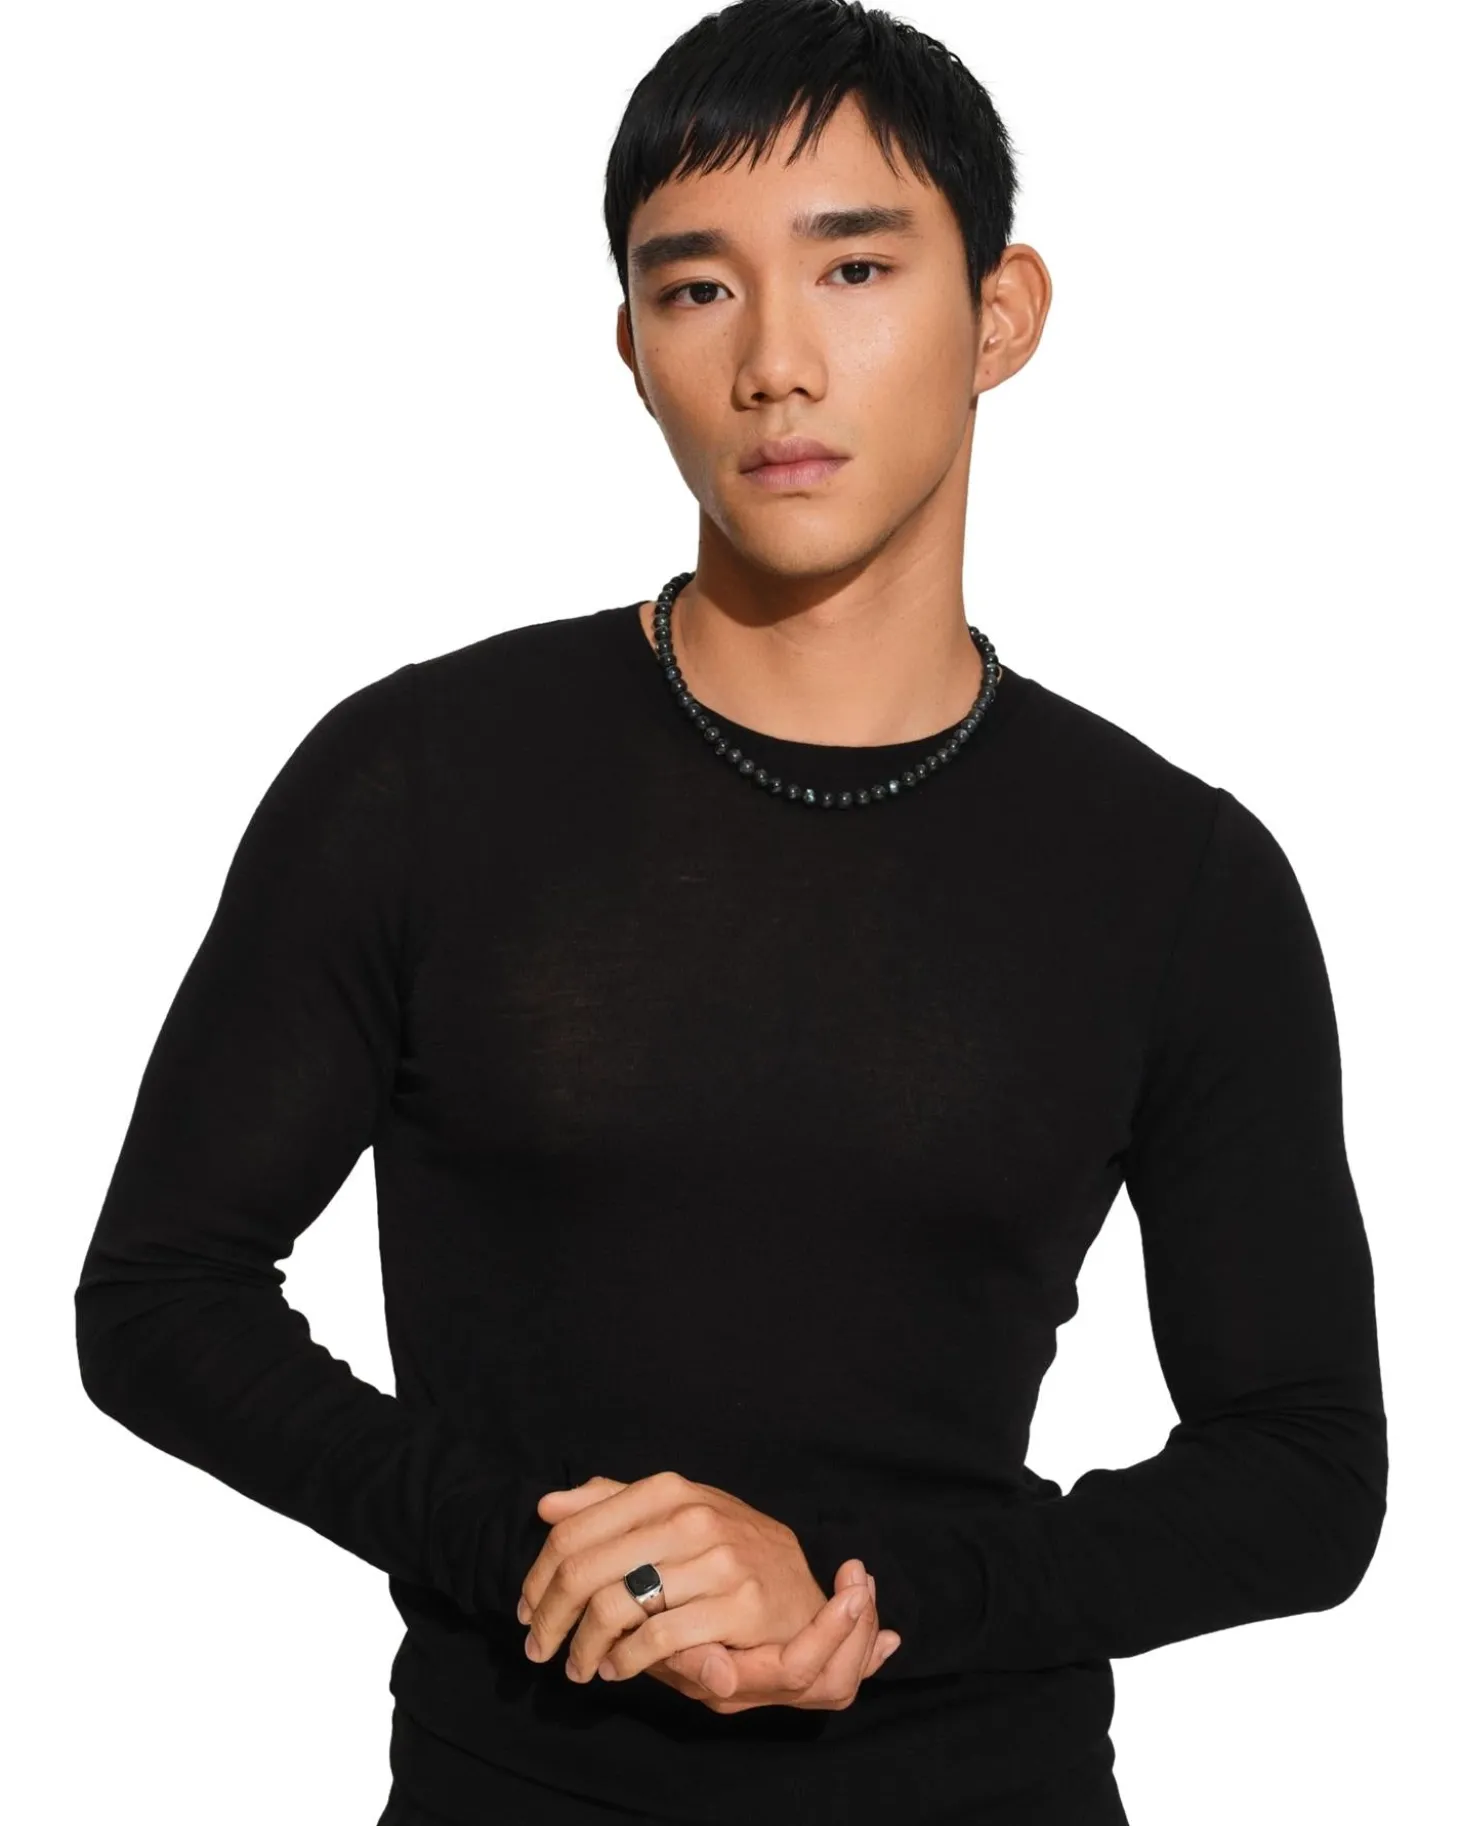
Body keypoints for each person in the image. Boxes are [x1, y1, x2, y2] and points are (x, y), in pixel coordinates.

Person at [73, 2, 1387, 1821]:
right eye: (697, 288)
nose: (776, 361)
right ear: (632, 344)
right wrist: (548, 1555)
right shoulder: (422, 777)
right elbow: (159, 1296)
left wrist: (865, 1595)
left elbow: (1305, 1472)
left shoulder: (1180, 873)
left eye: (855, 267)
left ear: (1001, 315)